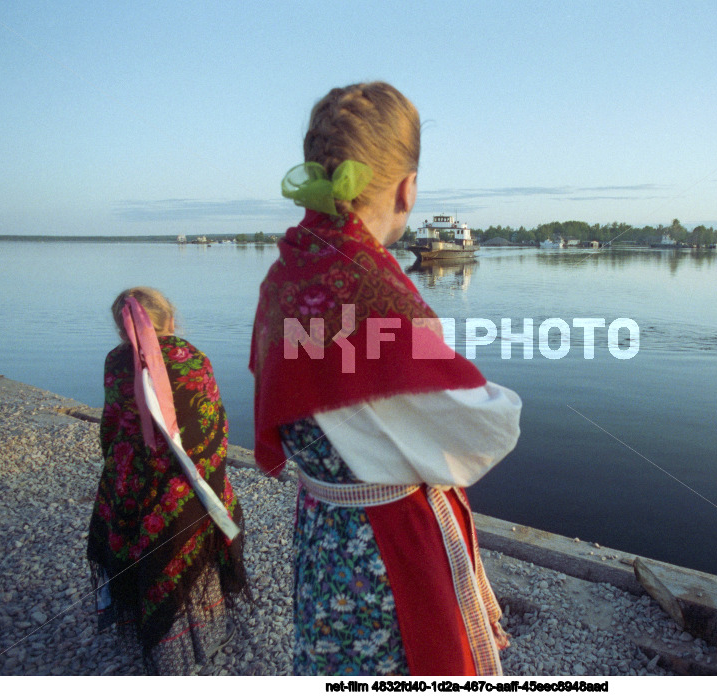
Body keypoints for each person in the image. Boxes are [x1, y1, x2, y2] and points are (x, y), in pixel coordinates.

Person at [250, 82, 521, 676]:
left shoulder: (283, 278)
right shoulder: (374, 290)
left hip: (324, 530)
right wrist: (503, 403)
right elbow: (476, 428)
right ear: (406, 188)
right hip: (382, 546)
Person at [88, 287, 248, 674]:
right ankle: (196, 640)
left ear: (122, 329)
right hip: (186, 485)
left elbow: (113, 426)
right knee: (204, 523)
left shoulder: (116, 361)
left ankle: (143, 628)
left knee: (136, 544)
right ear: (170, 319)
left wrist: (122, 467)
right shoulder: (192, 359)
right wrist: (209, 478)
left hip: (130, 484)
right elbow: (212, 427)